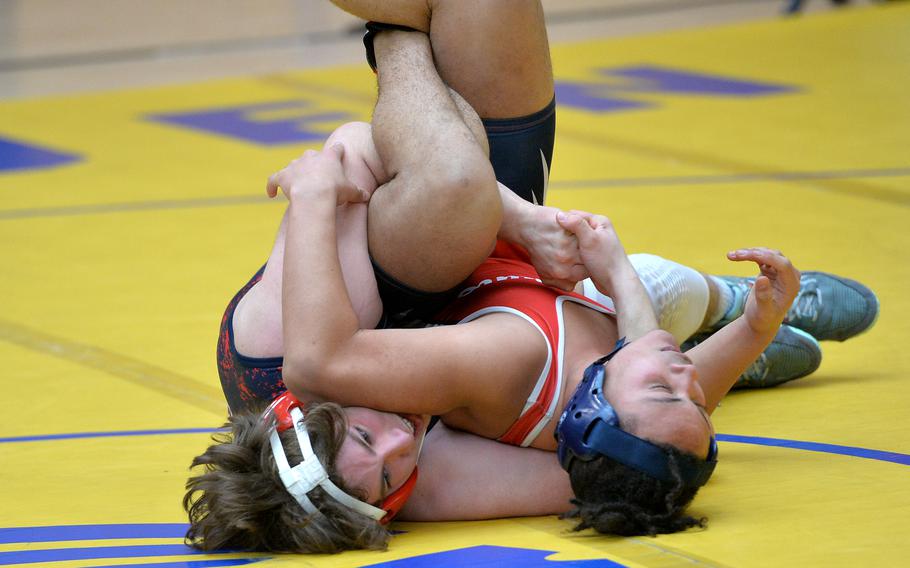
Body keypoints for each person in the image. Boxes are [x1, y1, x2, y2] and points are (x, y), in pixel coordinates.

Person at [184, 4, 879, 554]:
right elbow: (624, 466)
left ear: (301, 410)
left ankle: (395, 23)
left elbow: (356, 152)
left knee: (476, 199)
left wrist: (510, 219)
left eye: (368, 439)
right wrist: (729, 356)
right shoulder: (413, 484)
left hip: (449, 253)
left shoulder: (285, 349)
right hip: (517, 286)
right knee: (634, 307)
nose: (402, 442)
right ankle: (726, 314)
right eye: (394, 476)